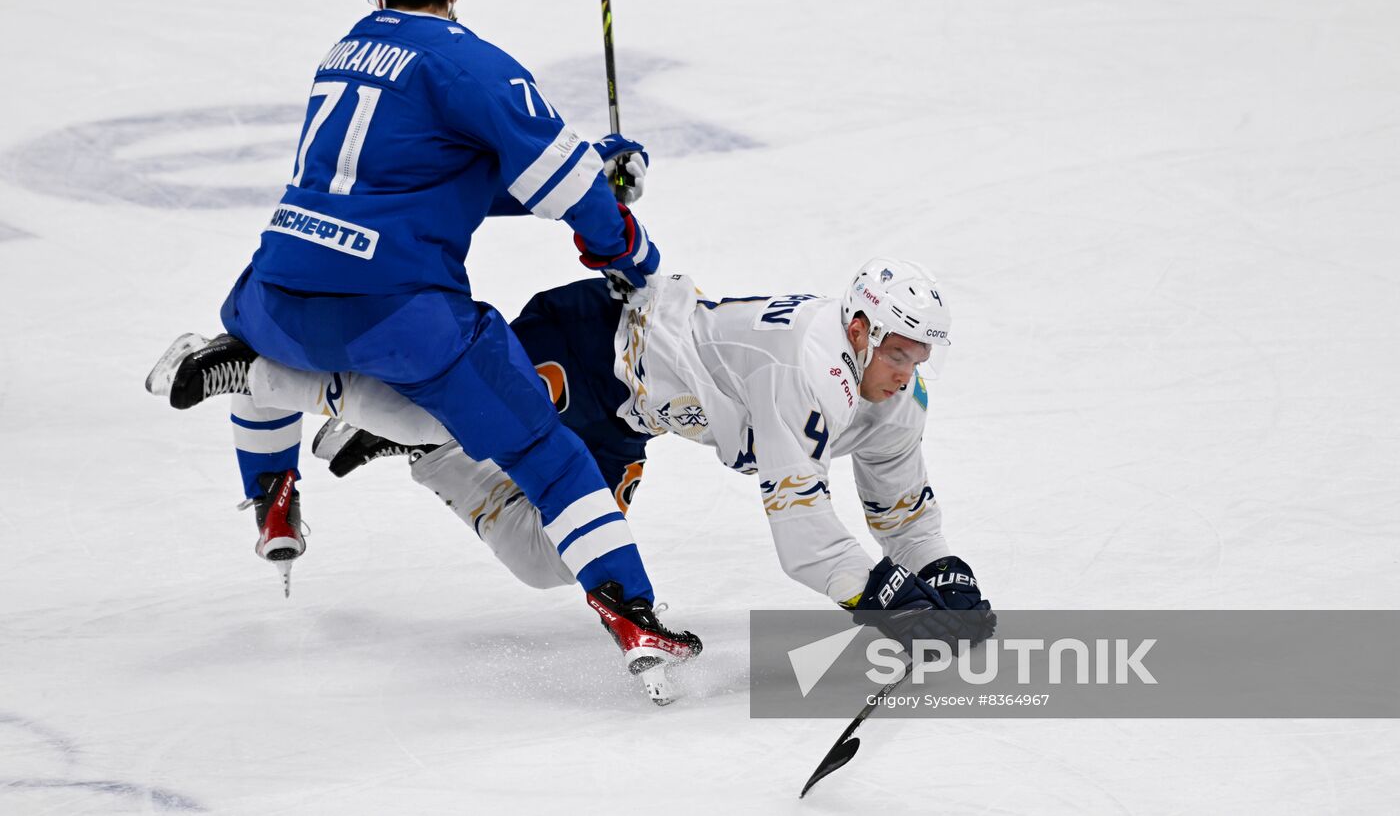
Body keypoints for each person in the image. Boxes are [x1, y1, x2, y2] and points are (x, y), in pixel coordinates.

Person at [144, 0, 699, 703]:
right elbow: (566, 191)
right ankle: (633, 615)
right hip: (394, 316)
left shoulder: (342, 53)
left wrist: (585, 163)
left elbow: (424, 179)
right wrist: (628, 242)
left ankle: (273, 495)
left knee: (261, 354)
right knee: (548, 453)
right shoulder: (474, 66)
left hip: (275, 292)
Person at [159, 258, 997, 650]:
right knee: (437, 410)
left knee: (550, 561)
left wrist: (945, 573)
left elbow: (902, 511)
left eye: (921, 357)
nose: (909, 371)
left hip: (632, 412)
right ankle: (261, 370)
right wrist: (889, 598)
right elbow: (804, 532)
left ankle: (429, 449)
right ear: (858, 330)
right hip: (595, 340)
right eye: (900, 351)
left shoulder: (890, 396)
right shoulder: (804, 367)